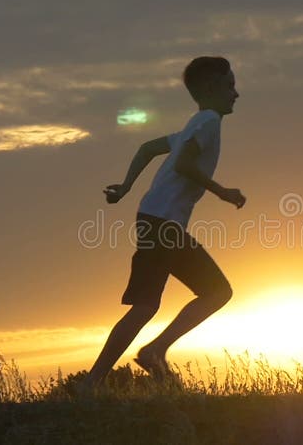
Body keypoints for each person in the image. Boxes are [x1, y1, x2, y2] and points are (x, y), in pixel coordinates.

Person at [86, 56, 245, 387]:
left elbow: (146, 148)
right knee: (213, 292)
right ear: (210, 88)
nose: (236, 93)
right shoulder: (208, 122)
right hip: (163, 223)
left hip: (155, 218)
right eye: (230, 86)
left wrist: (127, 186)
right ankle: (143, 356)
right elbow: (186, 164)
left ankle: (110, 373)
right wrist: (222, 192)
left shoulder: (195, 123)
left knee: (157, 303)